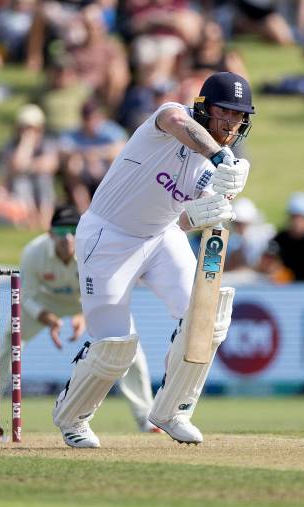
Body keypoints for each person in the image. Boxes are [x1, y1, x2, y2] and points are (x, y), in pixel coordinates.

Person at [51, 71, 254, 448]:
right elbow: (176, 121)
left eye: (237, 116)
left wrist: (212, 211)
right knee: (114, 346)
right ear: (204, 108)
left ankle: (172, 410)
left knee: (207, 316)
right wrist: (221, 154)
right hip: (107, 236)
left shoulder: (216, 173)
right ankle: (73, 418)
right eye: (223, 111)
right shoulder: (170, 119)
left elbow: (183, 219)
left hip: (162, 237)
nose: (229, 122)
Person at [0, 206, 159, 436]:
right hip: (46, 301)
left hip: (89, 301)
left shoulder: (96, 249)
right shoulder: (34, 252)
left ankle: (146, 418)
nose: (68, 238)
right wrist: (48, 318)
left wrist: (84, 315)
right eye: (61, 231)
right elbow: (27, 296)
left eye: (74, 230)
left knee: (128, 345)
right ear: (50, 233)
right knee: (6, 345)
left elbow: (109, 291)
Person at [0, 104, 58, 230]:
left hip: (40, 183)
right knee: (21, 181)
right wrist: (26, 142)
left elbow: (50, 165)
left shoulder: (47, 143)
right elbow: (16, 165)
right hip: (15, 187)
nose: (27, 131)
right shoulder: (11, 145)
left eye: (31, 128)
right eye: (23, 128)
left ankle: (45, 219)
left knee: (43, 179)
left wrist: (27, 166)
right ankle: (30, 219)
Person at [59, 98, 128, 212]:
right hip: (84, 169)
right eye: (87, 118)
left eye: (94, 117)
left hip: (107, 168)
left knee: (114, 160)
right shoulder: (76, 132)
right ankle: (84, 211)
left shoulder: (110, 130)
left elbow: (120, 148)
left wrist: (96, 155)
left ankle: (109, 208)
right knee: (73, 164)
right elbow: (63, 149)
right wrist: (88, 156)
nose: (91, 121)